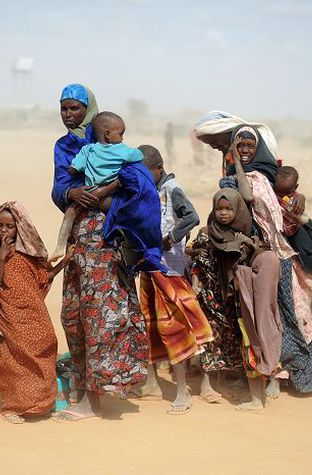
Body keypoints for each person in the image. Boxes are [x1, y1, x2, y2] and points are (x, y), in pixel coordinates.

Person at [198, 116, 312, 396]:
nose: (244, 148)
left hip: (279, 251)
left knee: (288, 314)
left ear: (259, 147)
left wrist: (296, 196)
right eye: (239, 143)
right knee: (253, 315)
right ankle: (262, 372)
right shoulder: (231, 176)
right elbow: (237, 202)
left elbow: (284, 203)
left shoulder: (270, 173)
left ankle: (292, 374)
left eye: (249, 144)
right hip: (248, 253)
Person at [51, 83, 149, 422]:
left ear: (89, 111)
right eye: (64, 108)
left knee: (99, 316)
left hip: (105, 240)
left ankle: (93, 400)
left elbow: (135, 184)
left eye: (75, 109)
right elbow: (59, 188)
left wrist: (103, 194)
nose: (68, 115)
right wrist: (73, 192)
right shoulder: (65, 145)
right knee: (73, 314)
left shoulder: (111, 142)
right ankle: (82, 389)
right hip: (78, 236)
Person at [136, 144, 213, 415]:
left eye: (146, 172)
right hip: (150, 267)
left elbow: (191, 216)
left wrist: (171, 239)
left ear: (159, 168)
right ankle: (152, 383)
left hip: (170, 270)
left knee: (176, 327)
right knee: (150, 325)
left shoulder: (172, 189)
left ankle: (183, 391)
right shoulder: (152, 190)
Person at [192, 189, 281, 412]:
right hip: (211, 297)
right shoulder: (206, 233)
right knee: (212, 339)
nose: (223, 213)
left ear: (237, 210)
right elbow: (197, 262)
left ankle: (253, 395)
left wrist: (248, 249)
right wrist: (196, 285)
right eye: (219, 209)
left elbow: (259, 267)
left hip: (240, 302)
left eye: (228, 209)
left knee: (246, 343)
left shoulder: (246, 236)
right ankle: (209, 384)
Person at [0, 202, 73, 423]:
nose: (4, 230)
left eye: (9, 225)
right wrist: (2, 259)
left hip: (34, 314)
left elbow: (43, 279)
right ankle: (12, 407)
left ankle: (42, 402)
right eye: (0, 225)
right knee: (12, 360)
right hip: (9, 317)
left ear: (20, 227)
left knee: (45, 347)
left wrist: (64, 262)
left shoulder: (28, 255)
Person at [50, 111, 143, 261]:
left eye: (74, 108)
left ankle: (59, 246)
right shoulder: (121, 149)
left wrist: (73, 170)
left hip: (89, 190)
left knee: (70, 214)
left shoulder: (88, 149)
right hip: (108, 197)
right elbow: (139, 156)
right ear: (108, 134)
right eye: (121, 134)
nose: (122, 138)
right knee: (123, 212)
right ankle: (132, 242)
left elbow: (75, 166)